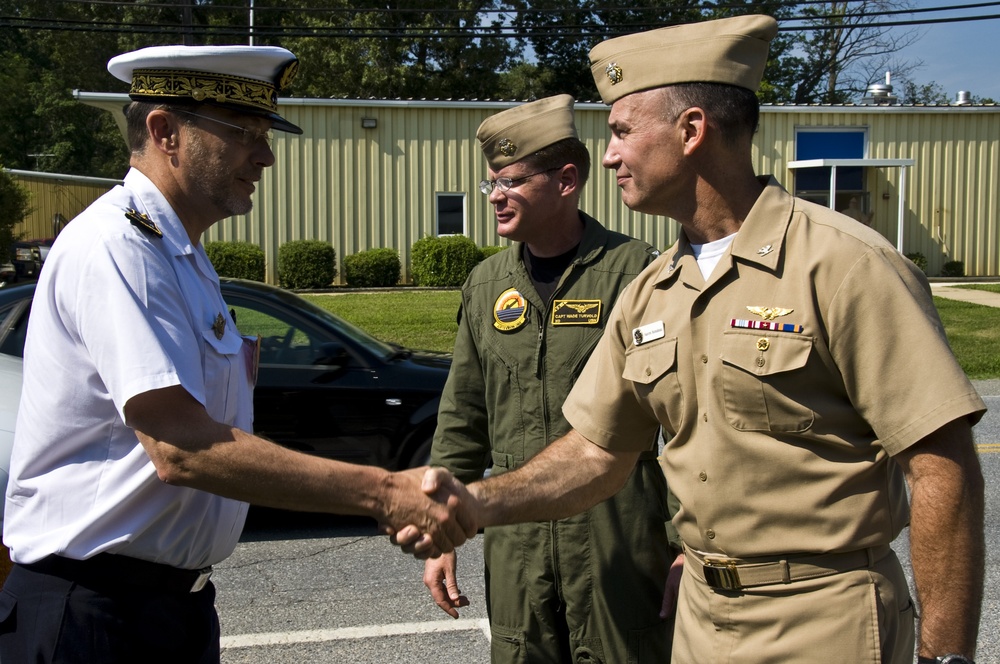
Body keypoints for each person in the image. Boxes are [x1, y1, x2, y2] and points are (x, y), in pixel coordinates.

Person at [396, 15, 986, 664]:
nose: (611, 153)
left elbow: (941, 464)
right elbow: (594, 455)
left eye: (622, 131)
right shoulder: (653, 290)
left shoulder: (844, 265)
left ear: (692, 130)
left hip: (823, 621)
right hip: (700, 622)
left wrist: (946, 656)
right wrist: (472, 502)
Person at [0, 44, 474, 664]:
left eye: (264, 133)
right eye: (242, 132)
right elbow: (181, 445)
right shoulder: (118, 246)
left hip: (166, 609)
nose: (265, 155)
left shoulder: (182, 258)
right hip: (95, 615)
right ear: (165, 131)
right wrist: (384, 491)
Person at [424, 95, 680, 663]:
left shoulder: (638, 274)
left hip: (620, 535)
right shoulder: (486, 284)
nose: (494, 196)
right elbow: (463, 417)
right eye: (491, 181)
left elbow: (684, 422)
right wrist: (441, 532)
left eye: (510, 181)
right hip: (517, 540)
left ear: (566, 180)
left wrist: (687, 541)